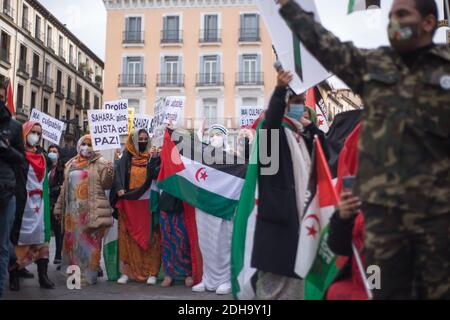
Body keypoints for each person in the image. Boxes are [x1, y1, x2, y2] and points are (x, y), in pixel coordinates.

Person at [278, 0, 450, 299]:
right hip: (384, 223)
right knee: (383, 291)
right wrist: (289, 7)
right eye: (392, 15)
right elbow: (325, 44)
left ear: (428, 23)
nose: (394, 21)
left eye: (403, 14)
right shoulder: (373, 66)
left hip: (437, 219)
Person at [251, 70, 311, 300]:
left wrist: (309, 127)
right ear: (286, 105)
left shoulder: (299, 135)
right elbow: (272, 122)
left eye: (303, 102)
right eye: (296, 102)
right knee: (272, 291)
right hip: (278, 222)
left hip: (298, 222)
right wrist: (279, 90)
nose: (301, 107)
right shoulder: (271, 135)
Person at [54, 135, 114, 286]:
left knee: (90, 245)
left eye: (90, 144)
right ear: (79, 145)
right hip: (72, 216)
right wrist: (59, 206)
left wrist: (109, 170)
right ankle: (74, 277)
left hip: (90, 212)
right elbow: (64, 188)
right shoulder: (71, 163)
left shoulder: (100, 162)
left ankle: (89, 276)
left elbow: (107, 184)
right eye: (84, 143)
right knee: (73, 247)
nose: (86, 147)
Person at [110, 129, 161, 285]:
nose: (143, 141)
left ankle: (151, 271)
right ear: (133, 140)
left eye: (146, 139)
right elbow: (117, 175)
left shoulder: (153, 158)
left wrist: (157, 159)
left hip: (147, 202)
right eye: (140, 139)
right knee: (128, 237)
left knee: (151, 236)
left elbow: (157, 175)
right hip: (129, 202)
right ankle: (127, 272)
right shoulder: (126, 157)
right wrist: (119, 188)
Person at [9, 121, 54, 291]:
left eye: (39, 133)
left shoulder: (42, 157)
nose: (36, 136)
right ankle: (14, 276)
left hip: (39, 205)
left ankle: (43, 276)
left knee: (42, 240)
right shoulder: (16, 155)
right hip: (21, 204)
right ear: (24, 133)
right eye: (33, 132)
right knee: (18, 240)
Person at [192, 124, 234, 295]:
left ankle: (225, 279)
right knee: (206, 242)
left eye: (218, 134)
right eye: (211, 134)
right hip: (204, 204)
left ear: (224, 138)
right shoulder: (201, 157)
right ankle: (208, 278)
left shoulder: (232, 158)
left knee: (223, 242)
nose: (214, 137)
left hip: (223, 206)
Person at [0, 87, 26, 298]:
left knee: (2, 245)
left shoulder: (15, 127)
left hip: (5, 192)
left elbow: (22, 160)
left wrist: (6, 149)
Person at [47, 145, 64, 265]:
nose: (52, 153)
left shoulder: (61, 169)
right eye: (50, 151)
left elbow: (62, 186)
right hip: (44, 202)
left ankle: (58, 254)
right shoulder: (45, 166)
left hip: (56, 202)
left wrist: (50, 190)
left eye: (54, 151)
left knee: (58, 231)